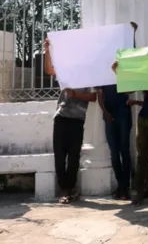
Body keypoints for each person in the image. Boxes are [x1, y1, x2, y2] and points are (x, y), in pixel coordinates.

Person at [111, 48, 148, 206]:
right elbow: (128, 89)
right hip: (145, 119)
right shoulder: (146, 75)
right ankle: (141, 192)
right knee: (142, 157)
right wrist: (118, 73)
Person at [44, 38, 97, 204]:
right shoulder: (66, 70)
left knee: (73, 156)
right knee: (59, 156)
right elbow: (49, 70)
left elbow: (93, 97)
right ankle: (64, 190)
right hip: (61, 117)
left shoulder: (89, 75)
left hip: (77, 120)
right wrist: (47, 50)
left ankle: (70, 189)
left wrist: (76, 95)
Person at [96, 84, 132, 200]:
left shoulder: (122, 68)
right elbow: (100, 95)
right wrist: (105, 111)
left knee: (125, 151)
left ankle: (124, 188)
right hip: (109, 115)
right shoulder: (102, 73)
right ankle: (121, 185)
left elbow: (130, 90)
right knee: (114, 154)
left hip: (123, 114)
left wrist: (119, 75)